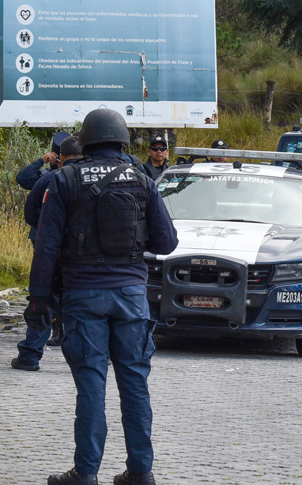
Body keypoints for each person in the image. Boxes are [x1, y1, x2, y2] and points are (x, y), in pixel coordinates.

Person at [28, 109, 178, 485]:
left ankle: (85, 472)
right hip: (131, 295)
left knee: (92, 383)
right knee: (134, 383)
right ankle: (140, 472)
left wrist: (38, 299)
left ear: (86, 141)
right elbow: (167, 243)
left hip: (83, 295)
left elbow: (46, 246)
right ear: (122, 141)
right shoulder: (141, 179)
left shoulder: (64, 179)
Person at [10, 136, 83, 371]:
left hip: (49, 252)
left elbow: (30, 215)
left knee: (42, 300)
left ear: (61, 157)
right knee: (84, 303)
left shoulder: (50, 179)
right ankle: (90, 356)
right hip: (85, 254)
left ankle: (30, 355)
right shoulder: (99, 178)